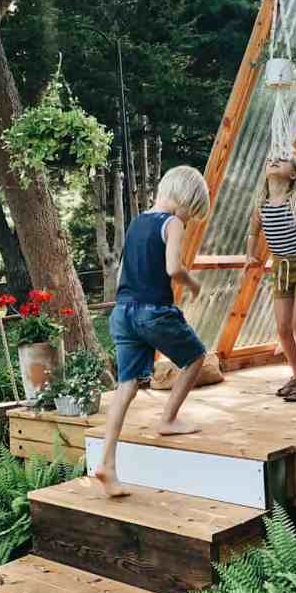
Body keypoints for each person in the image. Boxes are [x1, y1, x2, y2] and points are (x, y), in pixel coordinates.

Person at [95, 165, 210, 497]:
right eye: (191, 213)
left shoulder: (137, 222)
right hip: (153, 312)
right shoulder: (171, 222)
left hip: (123, 312)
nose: (187, 221)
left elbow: (125, 272)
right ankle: (168, 419)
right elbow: (173, 268)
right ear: (183, 200)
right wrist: (193, 283)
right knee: (196, 357)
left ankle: (107, 463)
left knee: (126, 387)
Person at [246, 150, 296, 402]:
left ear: (293, 174)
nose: (273, 161)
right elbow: (253, 233)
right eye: (270, 159)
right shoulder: (260, 205)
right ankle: (295, 375)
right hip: (280, 269)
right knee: (282, 329)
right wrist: (250, 255)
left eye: (281, 161)